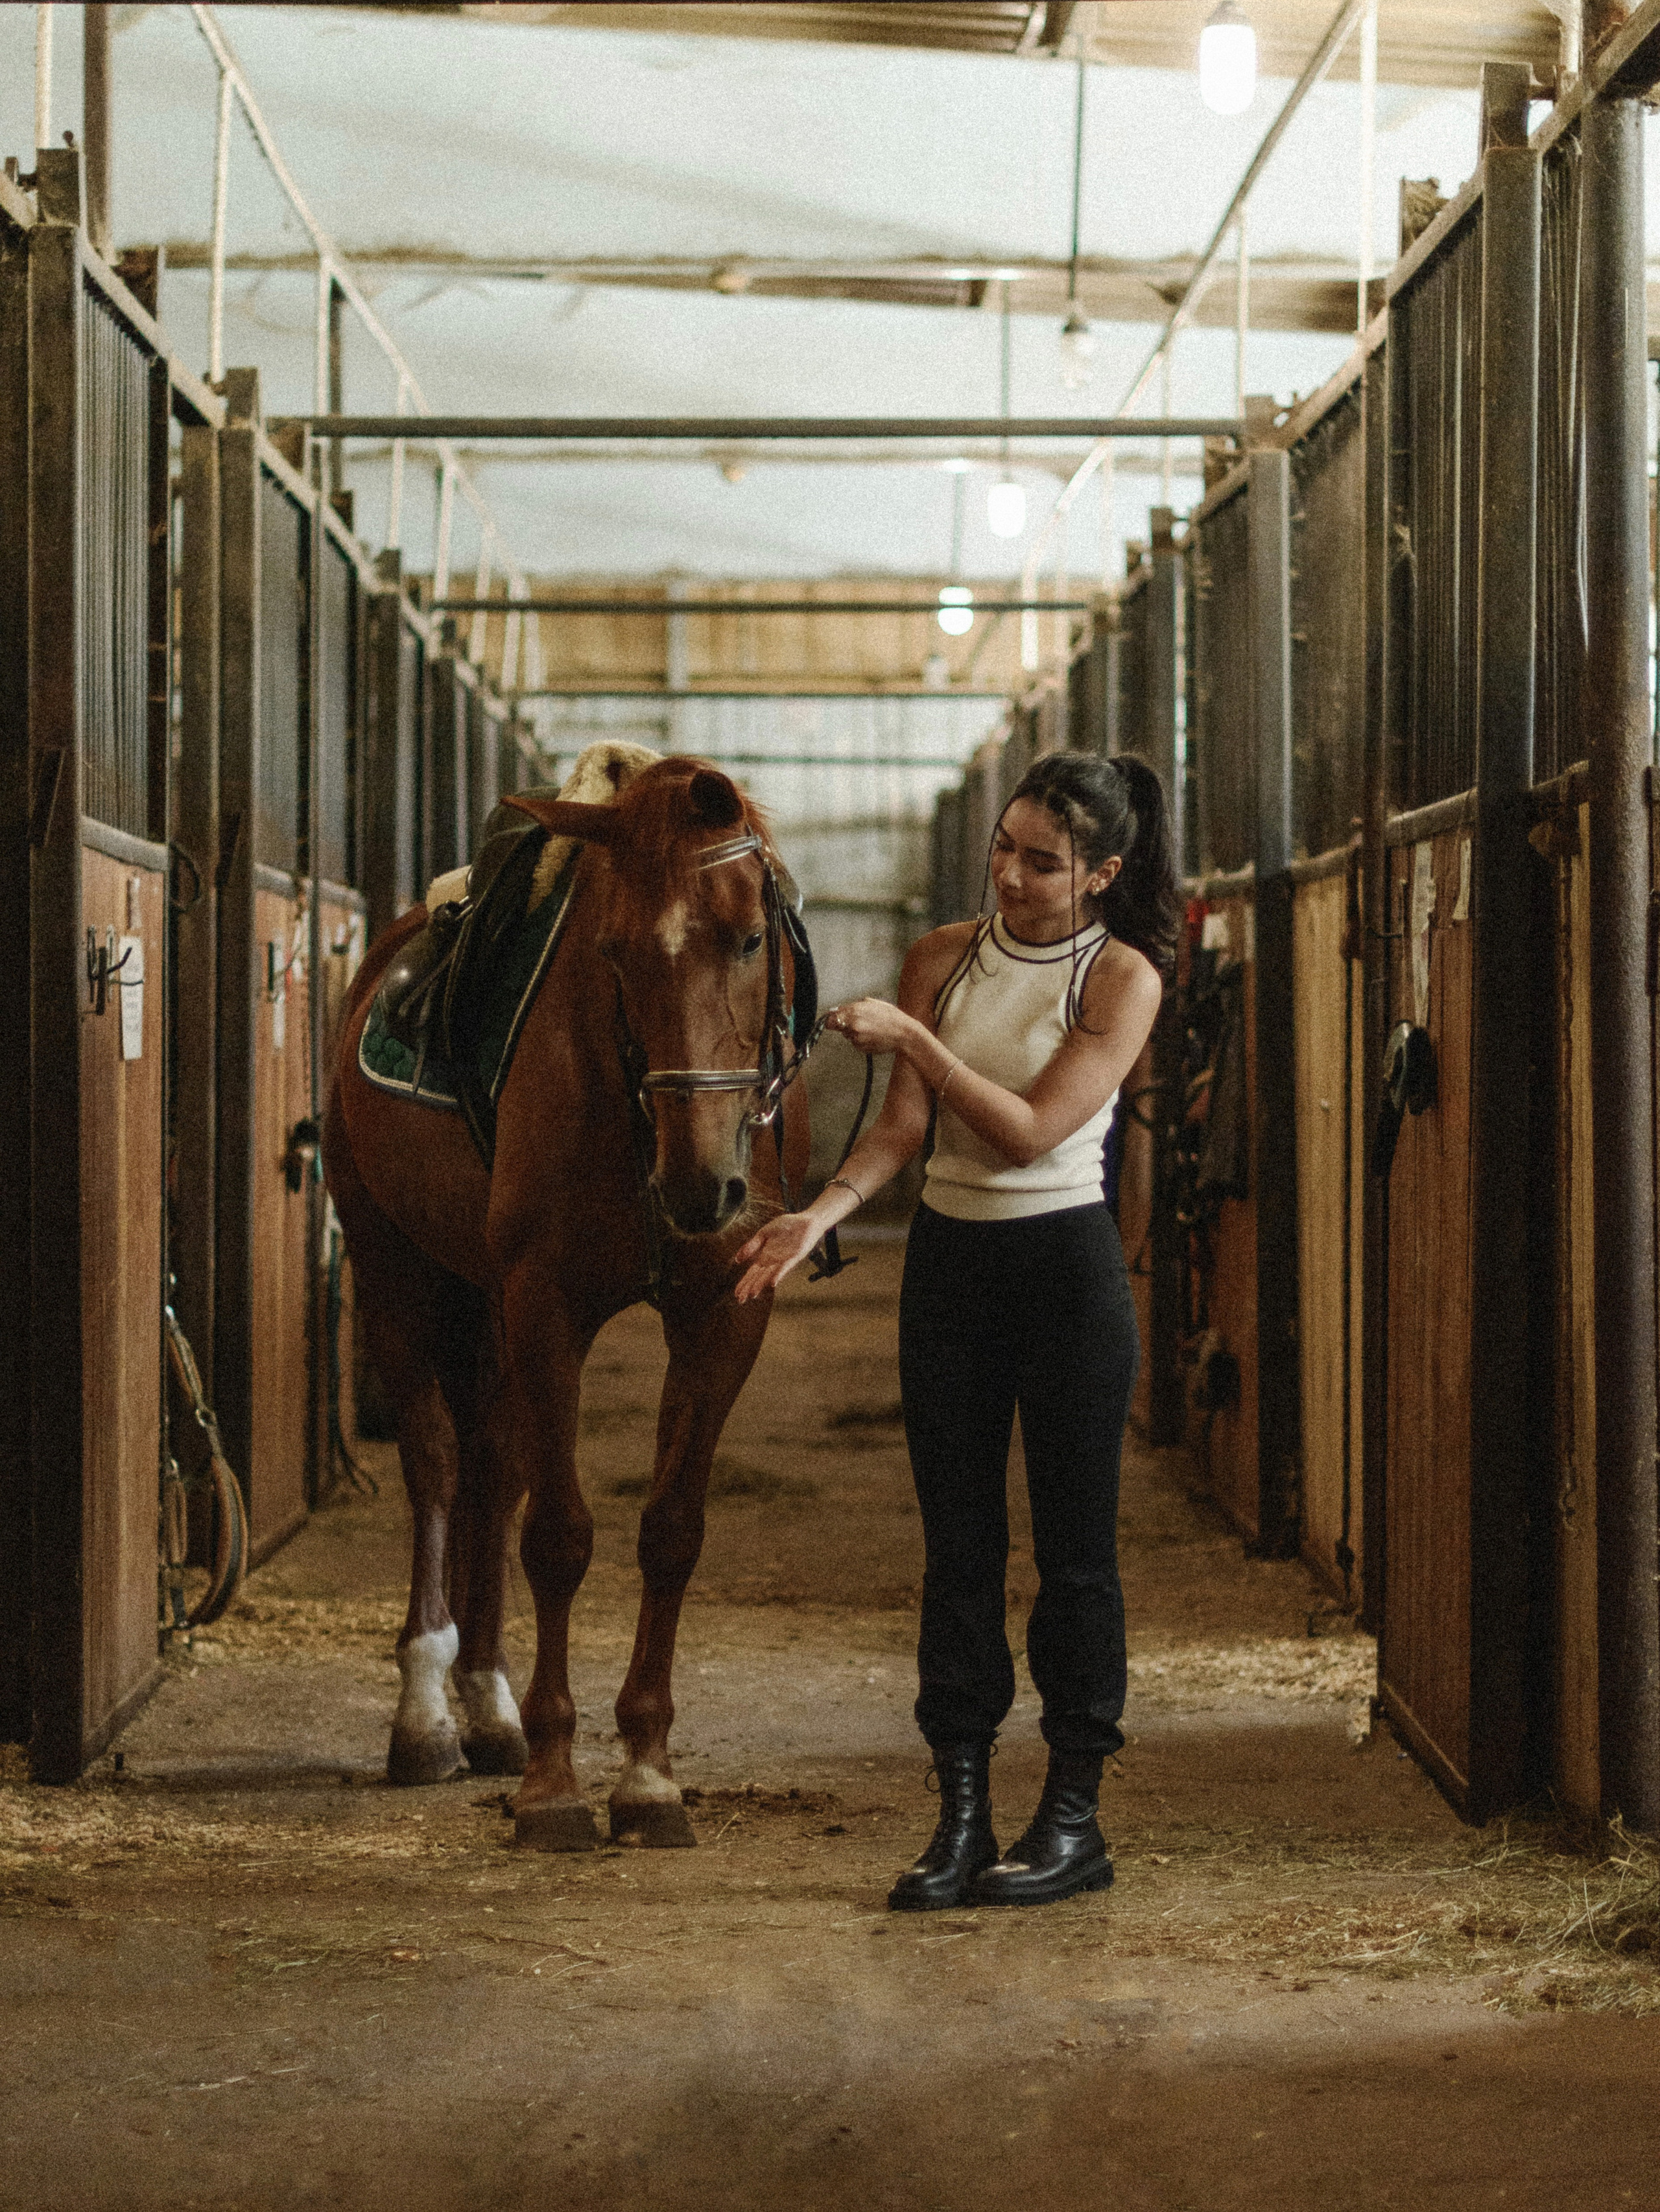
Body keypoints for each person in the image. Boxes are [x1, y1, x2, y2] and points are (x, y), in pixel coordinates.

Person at [735, 749, 1176, 1912]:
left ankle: (1073, 1817)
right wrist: (818, 1214)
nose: (1014, 877)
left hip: (1065, 1273)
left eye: (1045, 862)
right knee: (959, 1553)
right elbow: (902, 1130)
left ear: (1102, 875)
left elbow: (1031, 1130)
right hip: (951, 1270)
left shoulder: (1120, 979)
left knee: (1077, 1558)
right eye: (1005, 848)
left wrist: (918, 1041)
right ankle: (963, 1814)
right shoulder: (942, 957)